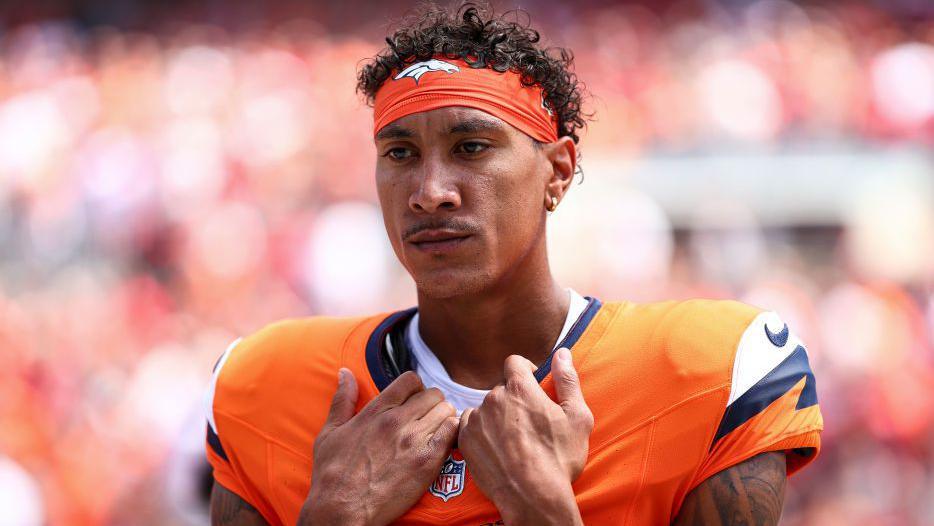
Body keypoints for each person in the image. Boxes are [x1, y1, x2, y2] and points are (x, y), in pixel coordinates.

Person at [204, 4, 823, 525]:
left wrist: (543, 510)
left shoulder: (706, 370)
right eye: (400, 152)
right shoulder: (264, 384)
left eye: (470, 147)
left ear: (557, 172)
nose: (429, 191)